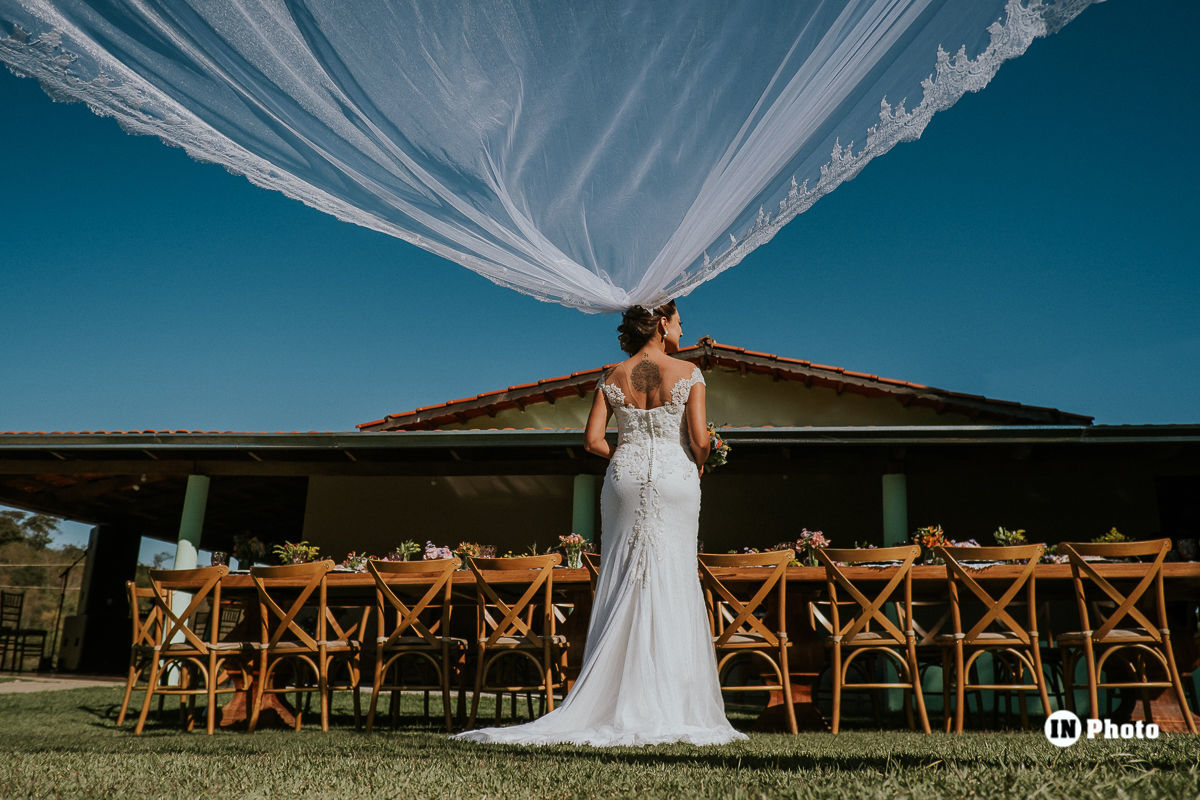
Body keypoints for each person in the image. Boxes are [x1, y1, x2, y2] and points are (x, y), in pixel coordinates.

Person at [454, 301, 746, 746]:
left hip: (623, 478)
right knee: (670, 573)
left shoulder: (612, 376)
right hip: (674, 477)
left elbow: (592, 441)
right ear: (663, 323)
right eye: (681, 323)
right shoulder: (688, 373)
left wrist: (628, 453)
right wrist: (699, 458)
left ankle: (609, 696)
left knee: (624, 572)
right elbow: (701, 442)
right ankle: (671, 701)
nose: (684, 333)